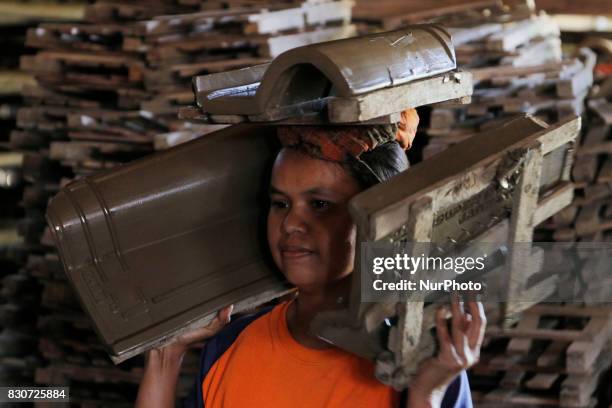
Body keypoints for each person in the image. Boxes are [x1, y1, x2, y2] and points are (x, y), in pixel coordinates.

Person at [135, 109, 486, 408]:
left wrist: (428, 394)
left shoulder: (422, 366)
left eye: (320, 205)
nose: (290, 224)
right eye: (280, 204)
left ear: (382, 221)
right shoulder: (230, 346)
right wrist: (164, 355)